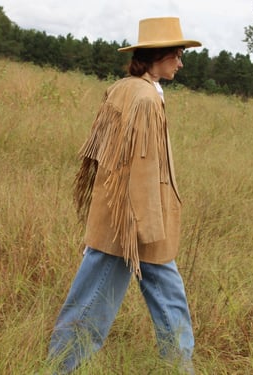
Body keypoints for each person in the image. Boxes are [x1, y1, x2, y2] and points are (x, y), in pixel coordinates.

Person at [47, 17, 201, 374]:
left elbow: (105, 155)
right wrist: (145, 232)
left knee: (156, 300)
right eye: (177, 55)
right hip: (134, 225)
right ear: (157, 55)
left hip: (121, 217)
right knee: (93, 307)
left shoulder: (124, 88)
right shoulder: (146, 98)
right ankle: (59, 369)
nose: (180, 62)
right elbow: (142, 169)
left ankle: (180, 367)